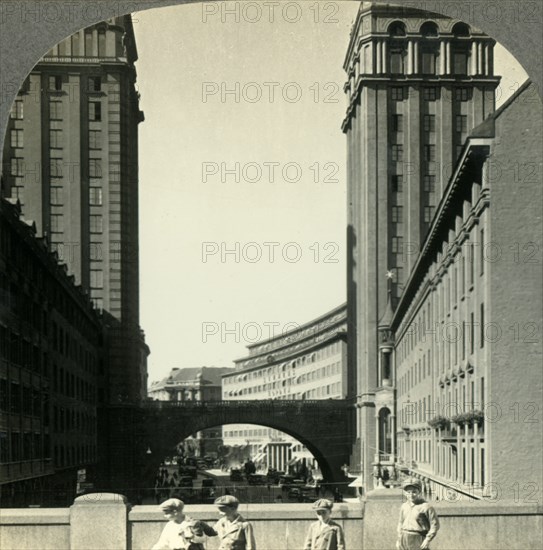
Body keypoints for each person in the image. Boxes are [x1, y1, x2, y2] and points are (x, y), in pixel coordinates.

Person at [396, 478, 439, 550]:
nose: (411, 495)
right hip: (404, 537)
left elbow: (435, 525)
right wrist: (399, 539)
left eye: (414, 492)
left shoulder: (426, 506)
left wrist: (427, 540)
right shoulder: (404, 506)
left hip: (418, 538)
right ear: (405, 493)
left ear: (419, 492)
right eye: (408, 492)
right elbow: (400, 523)